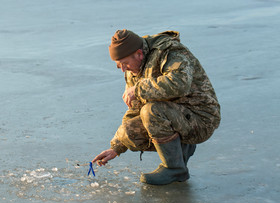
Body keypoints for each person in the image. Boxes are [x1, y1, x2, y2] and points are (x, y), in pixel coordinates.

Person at [91, 29, 221, 185]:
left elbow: (180, 84)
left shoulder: (170, 51)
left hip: (201, 118)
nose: (124, 69)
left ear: (139, 54)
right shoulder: (134, 69)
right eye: (119, 66)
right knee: (129, 130)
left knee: (151, 111)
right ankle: (182, 148)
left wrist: (138, 89)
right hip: (177, 116)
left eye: (125, 64)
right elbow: (134, 109)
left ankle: (174, 169)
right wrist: (116, 147)